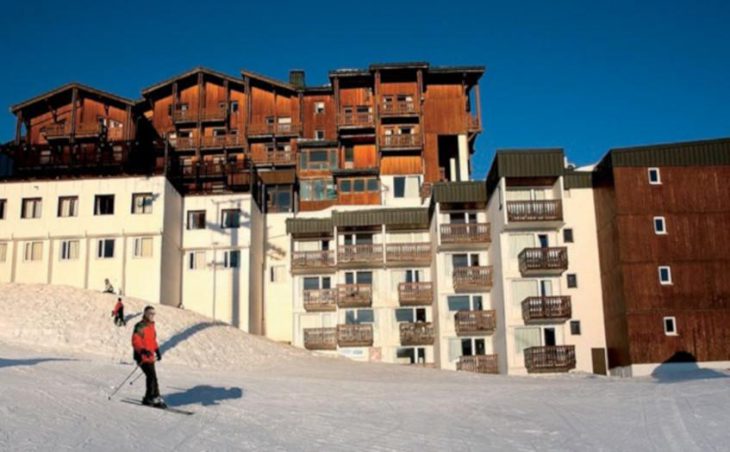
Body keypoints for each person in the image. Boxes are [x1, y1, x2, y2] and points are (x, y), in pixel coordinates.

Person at [131, 306, 165, 408]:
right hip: (141, 356)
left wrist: (157, 350)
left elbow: (152, 341)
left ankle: (155, 397)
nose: (152, 315)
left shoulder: (151, 326)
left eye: (153, 314)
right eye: (150, 313)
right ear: (145, 313)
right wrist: (142, 350)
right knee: (151, 376)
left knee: (153, 377)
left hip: (149, 356)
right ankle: (149, 397)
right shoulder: (140, 326)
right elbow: (135, 340)